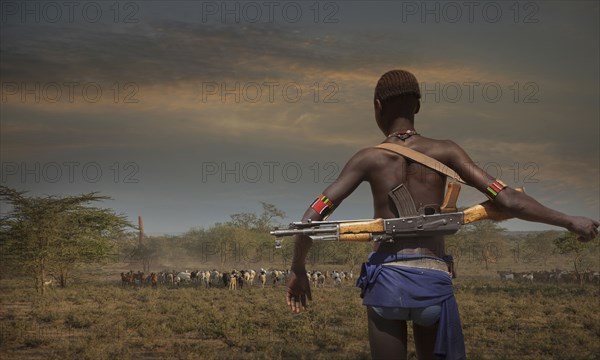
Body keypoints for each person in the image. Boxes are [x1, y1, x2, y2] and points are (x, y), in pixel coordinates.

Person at [285, 70, 599, 359]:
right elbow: (510, 201)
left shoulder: (367, 158)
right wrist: (571, 221)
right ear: (417, 107)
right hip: (432, 283)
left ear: (377, 107)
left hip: (385, 283)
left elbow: (311, 217)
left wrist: (298, 269)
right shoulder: (446, 151)